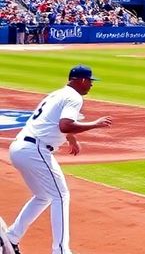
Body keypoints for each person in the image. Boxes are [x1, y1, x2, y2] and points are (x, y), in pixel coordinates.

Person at [1, 65, 113, 254]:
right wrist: (95, 124)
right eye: (90, 81)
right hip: (35, 150)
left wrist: (72, 139)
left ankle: (11, 237)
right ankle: (60, 250)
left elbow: (52, 122)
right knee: (61, 195)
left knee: (44, 196)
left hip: (21, 147)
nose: (91, 85)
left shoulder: (57, 94)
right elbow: (65, 125)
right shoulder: (74, 97)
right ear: (81, 80)